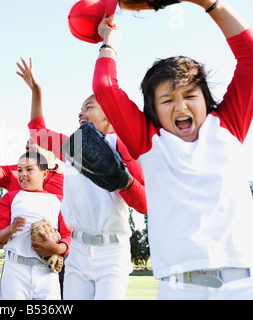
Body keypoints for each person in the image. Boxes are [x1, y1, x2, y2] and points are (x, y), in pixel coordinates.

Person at [93, 0, 253, 299]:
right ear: (153, 112)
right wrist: (109, 43)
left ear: (206, 99)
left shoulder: (228, 126)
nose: (181, 105)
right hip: (180, 286)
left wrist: (210, 4)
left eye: (190, 95)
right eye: (167, 100)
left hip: (243, 283)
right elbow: (105, 87)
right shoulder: (149, 142)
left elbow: (251, 56)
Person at [18, 57, 147, 299]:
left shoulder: (123, 146)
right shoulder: (72, 148)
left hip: (112, 252)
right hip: (77, 251)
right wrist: (36, 89)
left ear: (109, 114)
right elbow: (37, 131)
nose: (81, 112)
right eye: (81, 108)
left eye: (89, 106)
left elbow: (144, 205)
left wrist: (125, 182)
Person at [0, 151, 71, 300]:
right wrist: (10, 229)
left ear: (44, 174)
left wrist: (56, 248)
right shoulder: (10, 198)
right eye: (20, 170)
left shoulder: (58, 201)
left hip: (47, 271)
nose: (23, 174)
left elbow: (67, 237)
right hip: (16, 270)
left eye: (29, 169)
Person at [0, 107, 64, 196]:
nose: (26, 146)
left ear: (50, 148)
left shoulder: (69, 180)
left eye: (33, 141)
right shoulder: (15, 172)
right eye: (27, 143)